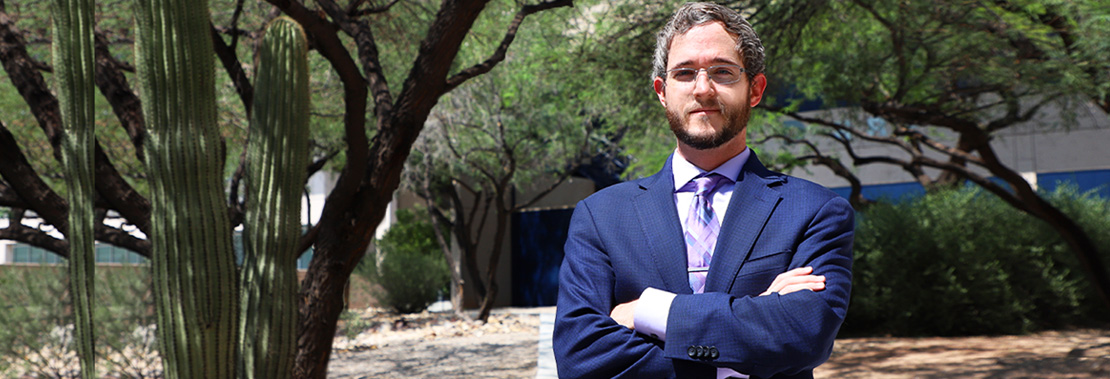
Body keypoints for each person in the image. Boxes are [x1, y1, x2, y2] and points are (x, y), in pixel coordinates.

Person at [552, 3, 854, 378]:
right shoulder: (601, 216)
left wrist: (649, 310)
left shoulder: (814, 210)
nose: (703, 89)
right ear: (662, 91)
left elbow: (804, 336)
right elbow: (580, 356)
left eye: (722, 72)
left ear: (755, 89)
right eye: (684, 73)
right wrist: (748, 332)